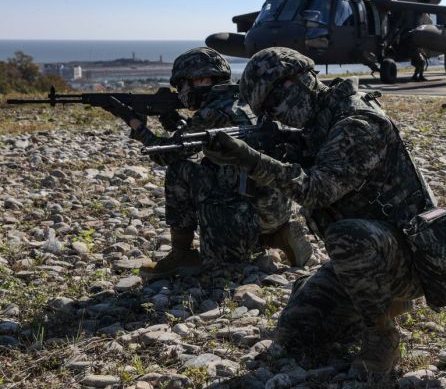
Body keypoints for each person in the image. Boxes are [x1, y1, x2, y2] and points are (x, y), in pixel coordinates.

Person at [204, 47, 438, 378]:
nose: (276, 115)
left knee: (347, 236)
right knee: (296, 330)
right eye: (266, 111)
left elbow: (316, 190)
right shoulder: (320, 123)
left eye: (274, 102)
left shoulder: (356, 122)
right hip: (371, 254)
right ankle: (374, 299)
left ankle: (381, 335)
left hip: (411, 258)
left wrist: (251, 160)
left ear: (298, 81)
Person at [103, 47, 311, 279]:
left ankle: (182, 254)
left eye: (181, 85)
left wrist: (136, 126)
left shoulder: (212, 112)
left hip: (243, 217)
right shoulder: (246, 99)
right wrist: (177, 123)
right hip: (276, 208)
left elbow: (165, 154)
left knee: (180, 169)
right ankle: (278, 235)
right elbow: (205, 139)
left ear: (200, 80)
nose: (180, 92)